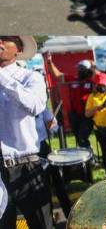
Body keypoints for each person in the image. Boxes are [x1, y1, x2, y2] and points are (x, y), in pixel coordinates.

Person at [0, 36, 53, 229]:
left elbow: (35, 105)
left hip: (25, 165)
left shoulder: (31, 77)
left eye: (5, 38)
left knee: (42, 225)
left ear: (19, 49)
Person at [85, 72, 106, 176]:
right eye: (99, 85)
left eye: (103, 84)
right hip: (100, 129)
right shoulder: (92, 97)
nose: (101, 87)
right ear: (95, 85)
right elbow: (87, 114)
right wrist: (100, 107)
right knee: (105, 152)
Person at [68, 59, 96, 148]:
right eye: (78, 68)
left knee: (82, 137)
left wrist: (93, 67)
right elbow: (58, 75)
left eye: (81, 68)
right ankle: (86, 153)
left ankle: (89, 153)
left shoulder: (93, 80)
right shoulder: (73, 79)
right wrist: (49, 62)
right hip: (75, 114)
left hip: (88, 114)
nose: (79, 70)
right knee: (78, 138)